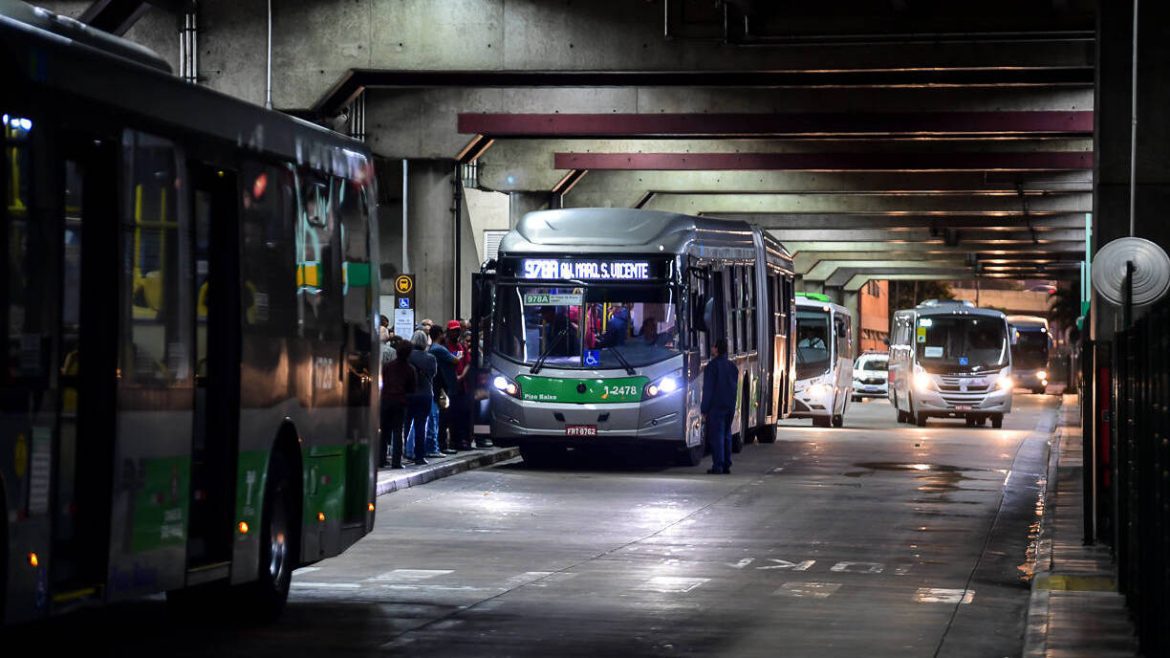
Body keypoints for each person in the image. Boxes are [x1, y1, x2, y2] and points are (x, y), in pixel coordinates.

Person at [701, 338, 739, 475]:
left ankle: (718, 465)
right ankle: (727, 464)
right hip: (729, 405)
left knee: (717, 436)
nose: (711, 349)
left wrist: (704, 409)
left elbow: (708, 390)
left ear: (716, 349)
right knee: (727, 434)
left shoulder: (712, 366)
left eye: (712, 346)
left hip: (716, 407)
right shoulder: (732, 367)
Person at [381, 341, 416, 469]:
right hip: (400, 402)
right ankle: (396, 461)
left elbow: (382, 381)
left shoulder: (388, 367)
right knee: (397, 431)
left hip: (385, 400)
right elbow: (412, 388)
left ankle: (381, 459)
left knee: (384, 430)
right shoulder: (409, 369)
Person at [405, 330, 437, 466]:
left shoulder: (407, 357)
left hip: (408, 394)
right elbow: (433, 374)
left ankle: (402, 452)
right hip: (425, 394)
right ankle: (419, 456)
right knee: (420, 425)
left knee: (405, 425)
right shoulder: (430, 358)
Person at [429, 323, 461, 454]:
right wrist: (459, 355)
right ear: (439, 335)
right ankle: (442, 444)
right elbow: (456, 360)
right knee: (443, 416)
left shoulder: (433, 348)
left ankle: (441, 443)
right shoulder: (439, 349)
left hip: (439, 384)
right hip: (443, 385)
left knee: (440, 415)